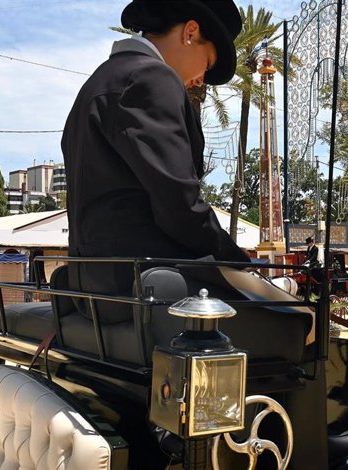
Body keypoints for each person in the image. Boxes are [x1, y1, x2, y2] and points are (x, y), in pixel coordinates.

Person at [62, 0, 248, 296]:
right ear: (190, 32)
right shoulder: (151, 77)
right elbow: (178, 202)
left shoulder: (98, 82)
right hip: (144, 282)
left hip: (94, 283)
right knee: (297, 318)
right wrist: (240, 263)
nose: (202, 78)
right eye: (208, 62)